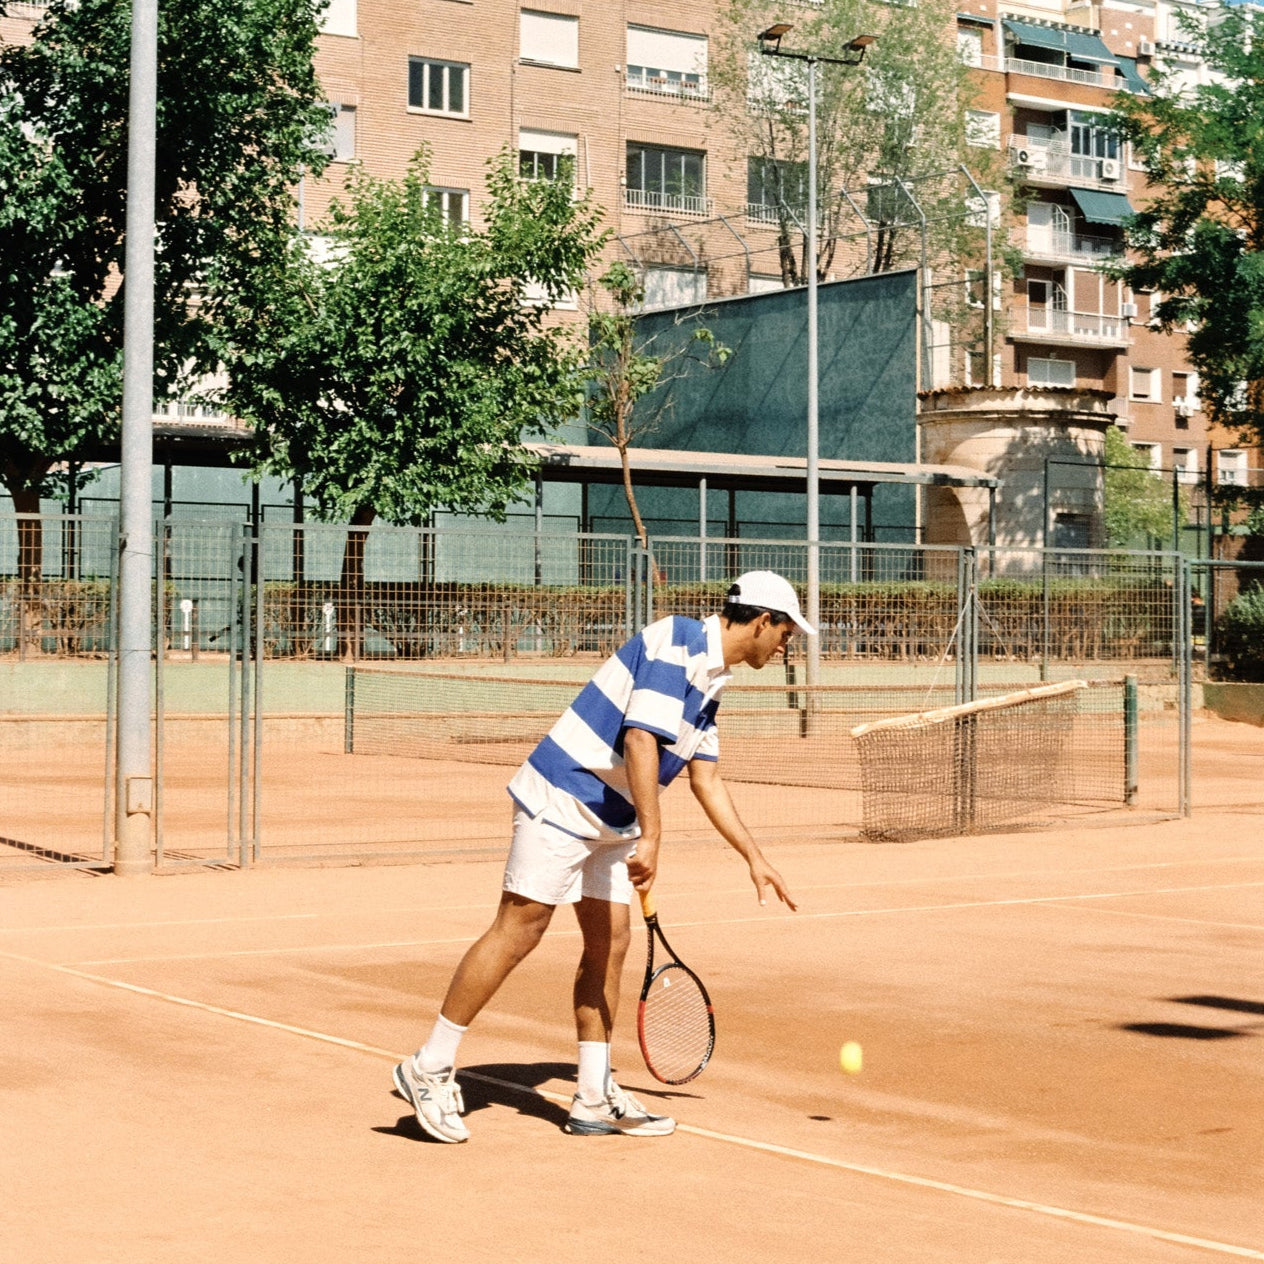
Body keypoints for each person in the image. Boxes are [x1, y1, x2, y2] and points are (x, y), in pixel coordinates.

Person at [393, 570, 813, 1143]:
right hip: (564, 795)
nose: (787, 644)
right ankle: (429, 1067)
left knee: (610, 943)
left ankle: (592, 1096)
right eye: (787, 631)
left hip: (613, 820)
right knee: (520, 928)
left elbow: (706, 780)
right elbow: (641, 739)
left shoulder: (716, 683)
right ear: (764, 620)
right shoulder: (678, 640)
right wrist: (654, 836)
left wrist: (754, 857)